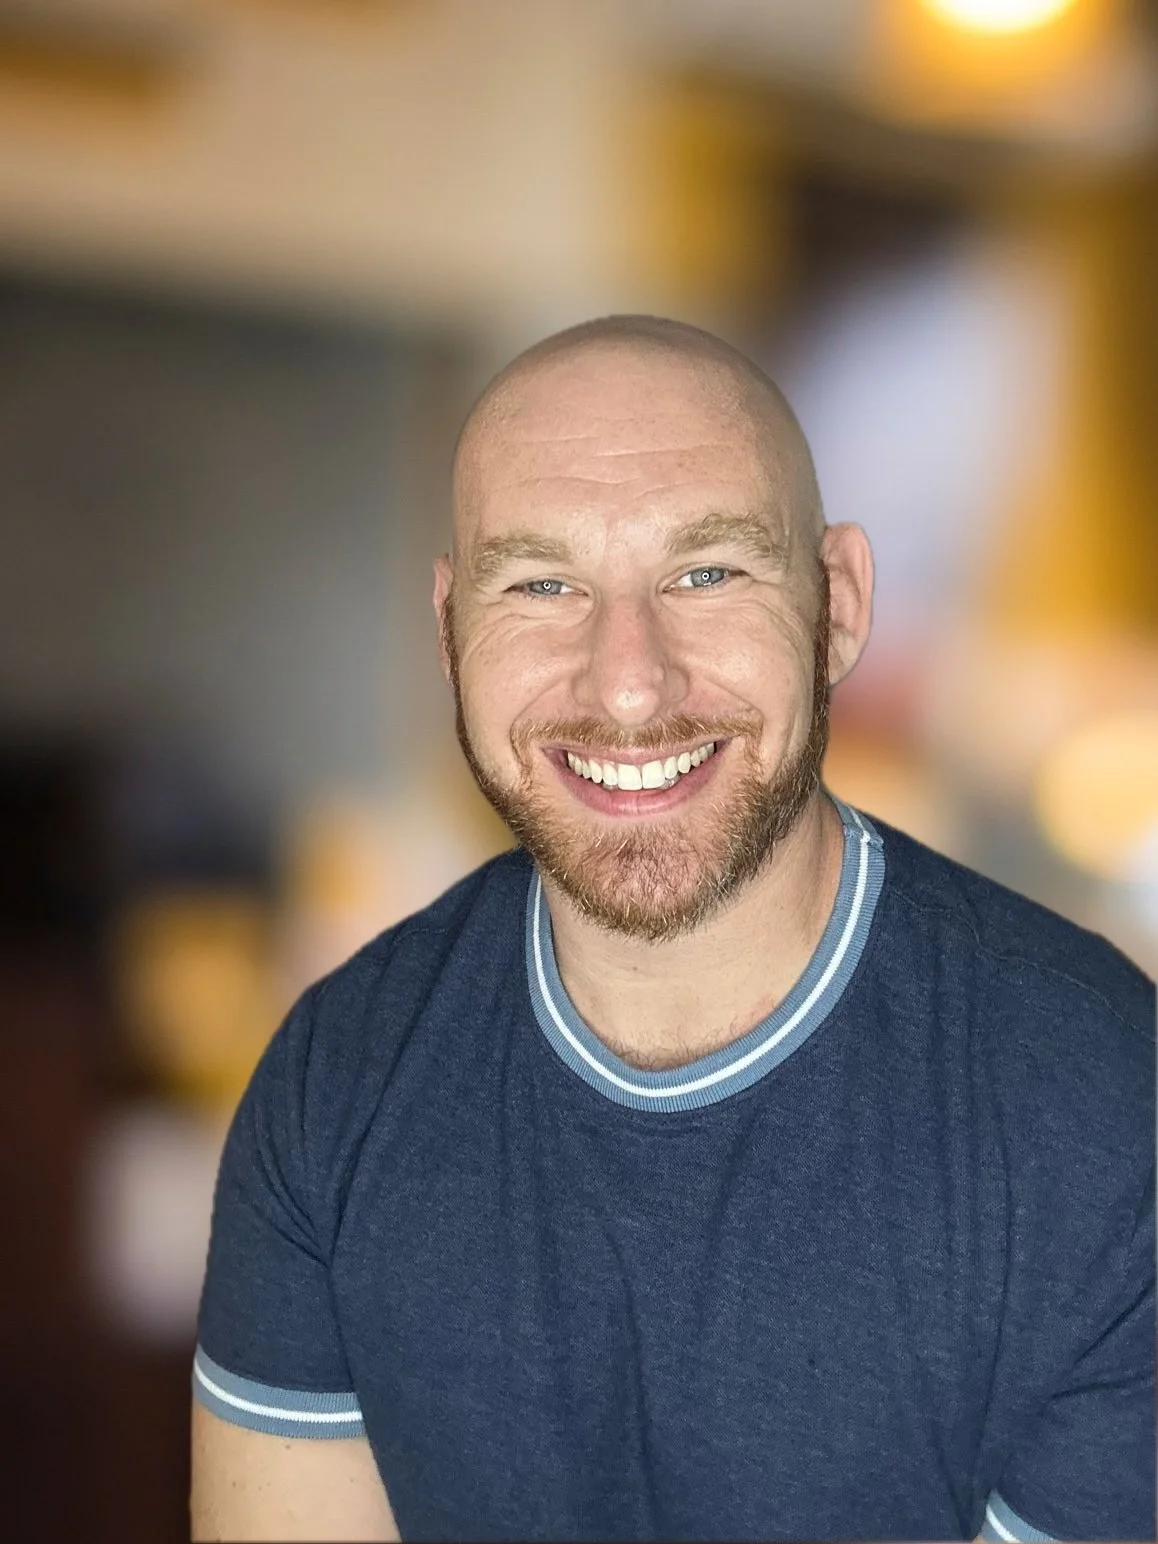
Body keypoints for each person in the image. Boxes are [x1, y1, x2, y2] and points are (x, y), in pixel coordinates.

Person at [190, 316, 1155, 1543]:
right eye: (541, 584)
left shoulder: (1107, 1108)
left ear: (841, 604)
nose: (630, 682)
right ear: (448, 630)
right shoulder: (334, 1084)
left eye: (708, 572)